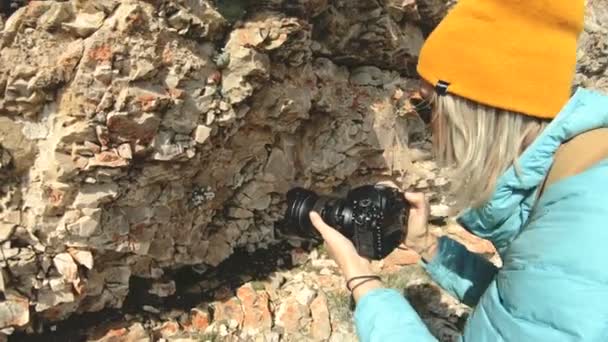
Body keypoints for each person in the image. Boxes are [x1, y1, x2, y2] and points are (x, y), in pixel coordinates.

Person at [310, 0, 608, 341]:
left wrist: (363, 283)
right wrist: (428, 246)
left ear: (470, 112)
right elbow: (526, 310)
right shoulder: (580, 182)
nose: (428, 130)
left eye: (425, 107)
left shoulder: (585, 238)